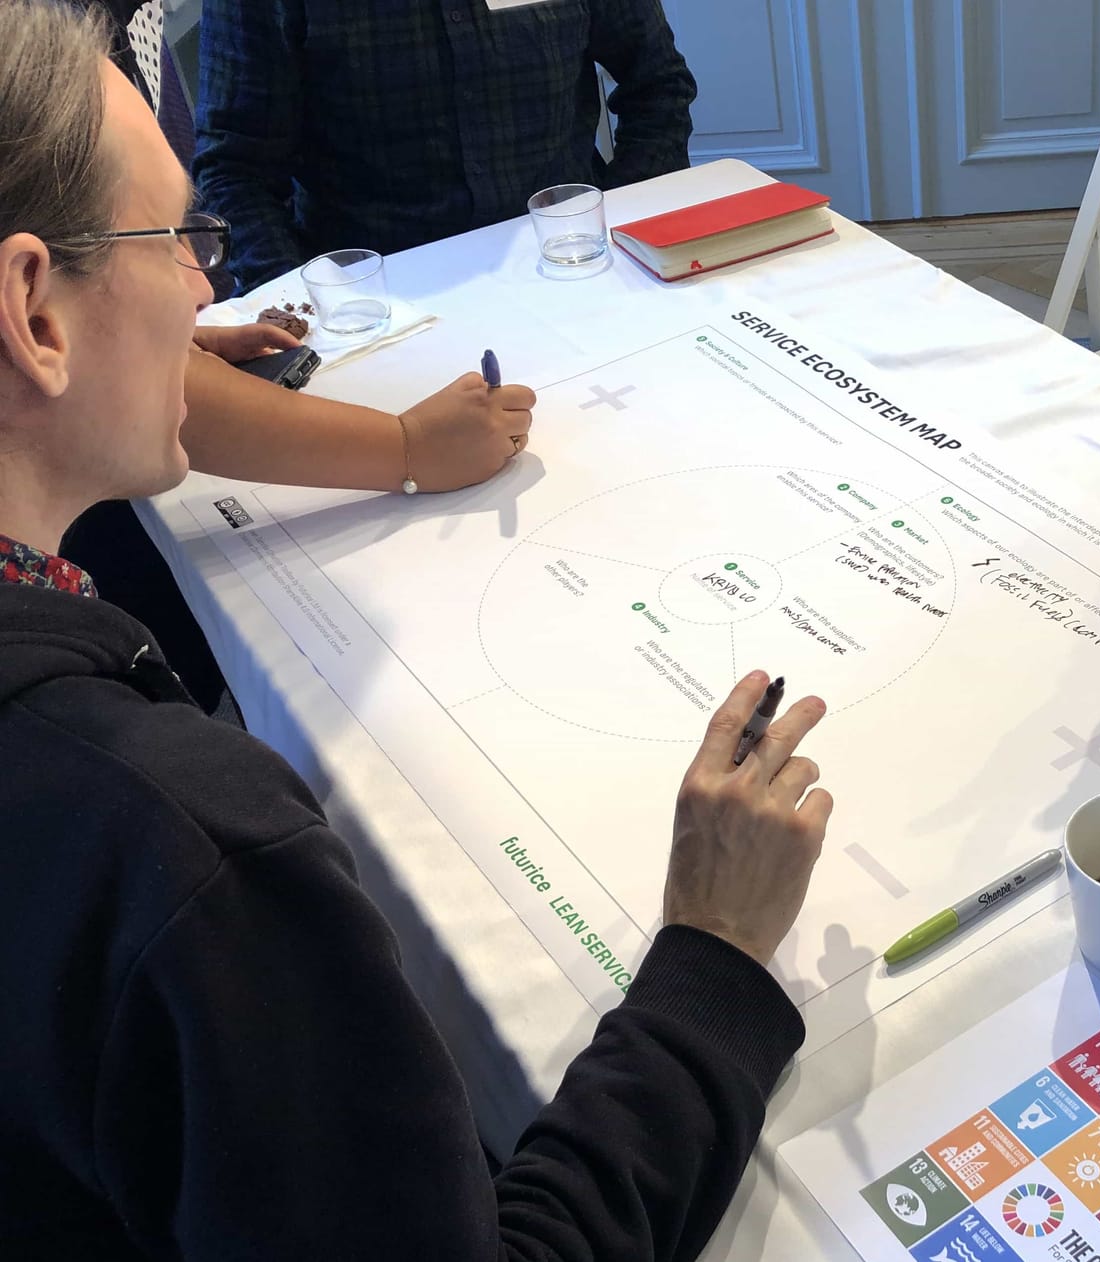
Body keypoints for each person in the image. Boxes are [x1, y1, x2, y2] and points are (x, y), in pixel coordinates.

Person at [0, 5, 830, 1256]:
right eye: (173, 242)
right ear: (36, 314)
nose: (205, 281)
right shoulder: (189, 844)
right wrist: (713, 961)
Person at [62, 0, 543, 713]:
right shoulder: (41, 57)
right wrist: (406, 450)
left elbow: (83, 279)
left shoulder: (116, 24)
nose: (202, 286)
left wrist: (173, 332)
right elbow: (82, 335)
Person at [194, 0, 697, 292]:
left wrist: (636, 226)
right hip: (383, 302)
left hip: (577, 268)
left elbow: (657, 86)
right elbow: (237, 170)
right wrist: (304, 315)